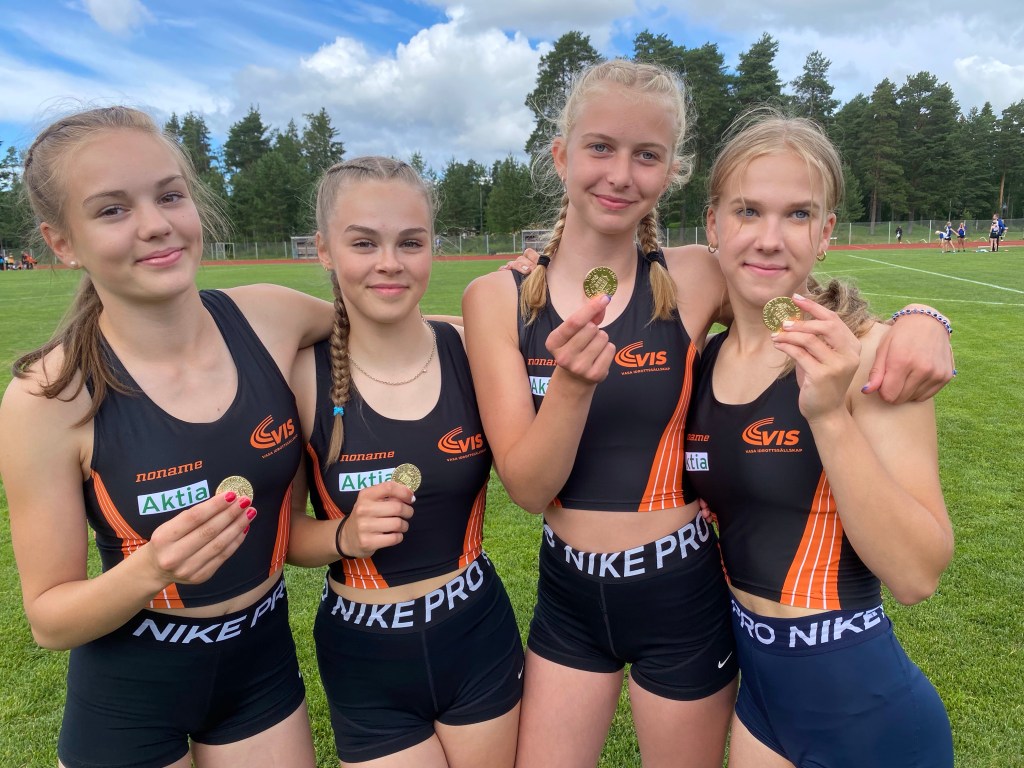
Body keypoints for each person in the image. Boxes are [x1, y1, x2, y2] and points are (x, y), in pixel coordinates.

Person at [464, 59, 955, 768]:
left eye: (647, 155)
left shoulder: (693, 275)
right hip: (570, 594)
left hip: (682, 593)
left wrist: (922, 318)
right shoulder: (500, 298)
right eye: (600, 147)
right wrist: (569, 383)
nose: (620, 174)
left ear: (672, 173)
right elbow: (528, 487)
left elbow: (793, 297)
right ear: (562, 155)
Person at [0, 106, 334, 768]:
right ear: (61, 242)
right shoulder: (50, 397)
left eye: (170, 195)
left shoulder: (270, 317)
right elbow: (50, 619)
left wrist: (510, 302)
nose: (155, 224)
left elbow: (398, 328)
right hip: (130, 698)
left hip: (262, 673)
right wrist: (153, 569)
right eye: (112, 210)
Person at [687, 111, 954, 767]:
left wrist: (830, 415)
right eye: (748, 211)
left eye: (798, 215)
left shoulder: (869, 355)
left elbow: (917, 574)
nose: (769, 239)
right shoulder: (702, 357)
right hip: (761, 707)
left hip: (868, 718)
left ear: (827, 232)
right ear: (713, 225)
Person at [287, 157, 524, 767]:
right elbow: (285, 536)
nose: (390, 262)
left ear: (432, 248)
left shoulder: (472, 348)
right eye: (364, 243)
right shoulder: (298, 376)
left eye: (410, 242)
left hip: (477, 636)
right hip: (365, 658)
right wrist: (344, 535)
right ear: (324, 250)